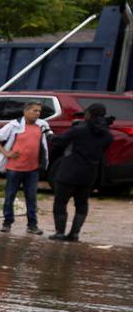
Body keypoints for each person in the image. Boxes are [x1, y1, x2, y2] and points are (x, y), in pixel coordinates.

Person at [47, 103, 114, 243]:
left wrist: (49, 135)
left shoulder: (78, 130)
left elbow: (58, 142)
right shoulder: (108, 134)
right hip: (89, 174)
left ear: (89, 114)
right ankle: (74, 234)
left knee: (60, 202)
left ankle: (59, 233)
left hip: (69, 172)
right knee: (82, 203)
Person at [0, 100, 51, 233]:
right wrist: (6, 153)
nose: (37, 114)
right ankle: (7, 223)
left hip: (32, 169)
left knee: (31, 197)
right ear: (25, 111)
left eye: (39, 111)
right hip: (14, 168)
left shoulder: (42, 125)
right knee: (10, 196)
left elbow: (47, 141)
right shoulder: (14, 125)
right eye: (34, 110)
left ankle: (32, 225)